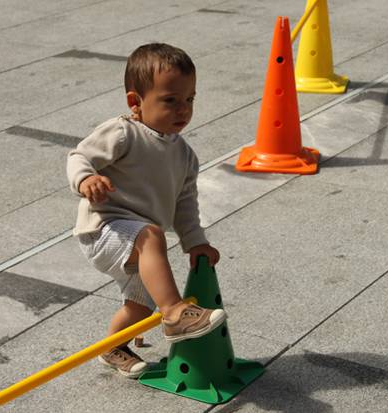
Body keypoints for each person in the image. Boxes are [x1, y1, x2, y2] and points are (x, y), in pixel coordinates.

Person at [66, 43, 226, 378]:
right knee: (151, 235)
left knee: (140, 305)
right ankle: (174, 314)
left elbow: (185, 203)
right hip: (103, 229)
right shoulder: (123, 131)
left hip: (136, 243)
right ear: (135, 102)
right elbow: (78, 156)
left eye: (190, 99)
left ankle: (112, 347)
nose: (183, 109)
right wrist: (86, 179)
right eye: (170, 100)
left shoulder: (184, 154)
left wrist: (195, 241)